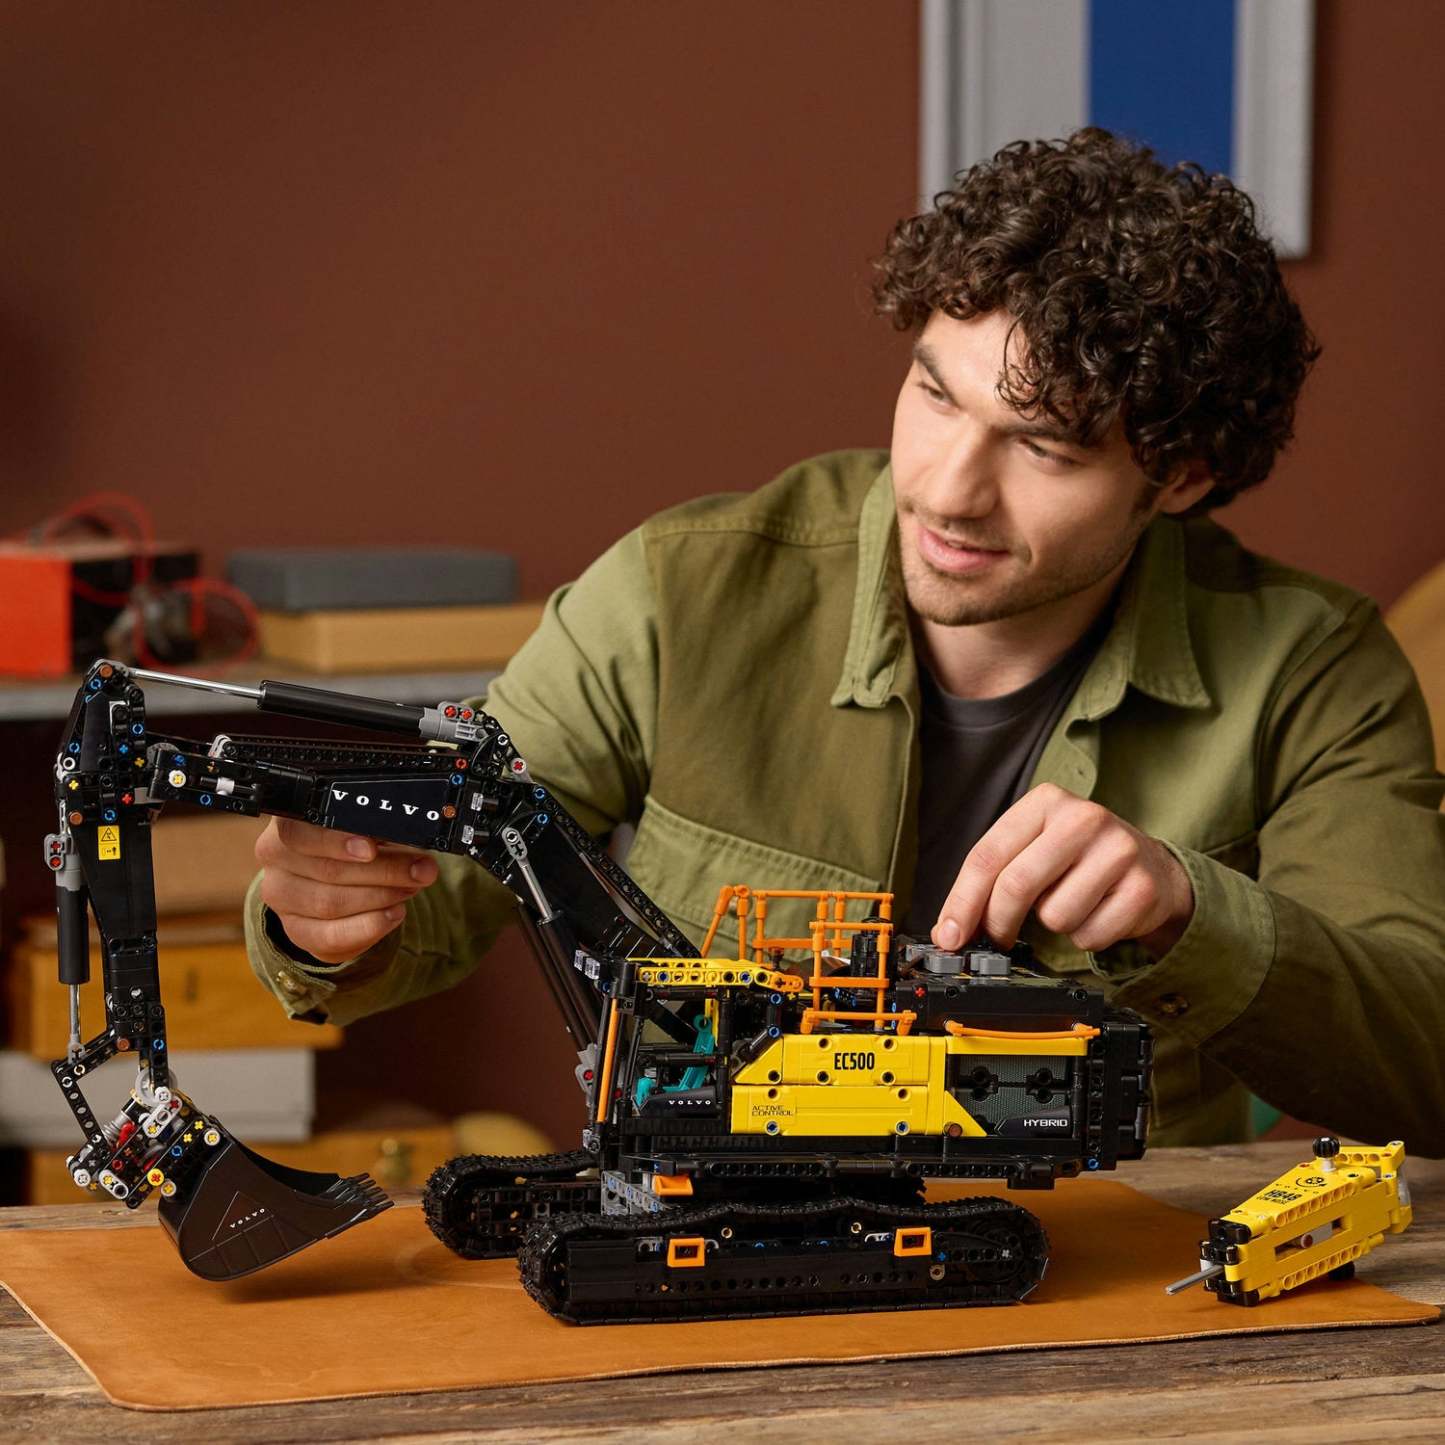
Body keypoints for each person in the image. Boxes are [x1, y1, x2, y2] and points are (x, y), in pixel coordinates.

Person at [243, 129, 1445, 1152]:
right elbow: (431, 890)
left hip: (1109, 1287)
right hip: (720, 1252)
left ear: (1178, 476)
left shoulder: (1312, 670)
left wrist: (1188, 913)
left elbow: (1423, 1063)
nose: (947, 491)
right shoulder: (675, 592)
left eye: (1042, 447)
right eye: (934, 394)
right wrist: (320, 913)